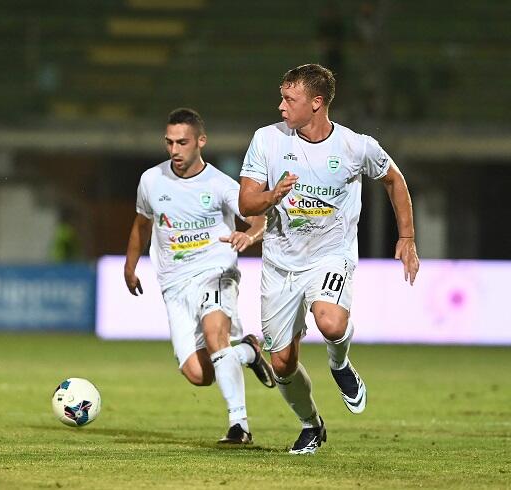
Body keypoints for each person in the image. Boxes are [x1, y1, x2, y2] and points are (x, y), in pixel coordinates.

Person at [238, 63, 419, 454]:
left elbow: (394, 179)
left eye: (290, 99)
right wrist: (272, 196)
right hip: (280, 264)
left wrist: (406, 236)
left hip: (330, 257)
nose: (281, 106)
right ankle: (311, 424)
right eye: (282, 97)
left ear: (316, 103)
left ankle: (339, 365)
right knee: (283, 363)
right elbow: (246, 201)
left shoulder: (355, 147)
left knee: (331, 322)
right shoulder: (266, 140)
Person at [124, 108, 276, 445]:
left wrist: (248, 237)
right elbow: (141, 225)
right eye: (169, 142)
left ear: (200, 142)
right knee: (198, 374)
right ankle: (249, 351)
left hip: (215, 271)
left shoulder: (221, 184)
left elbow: (259, 218)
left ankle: (240, 426)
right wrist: (130, 266)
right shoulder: (152, 180)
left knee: (214, 334)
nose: (175, 150)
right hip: (174, 284)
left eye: (182, 142)